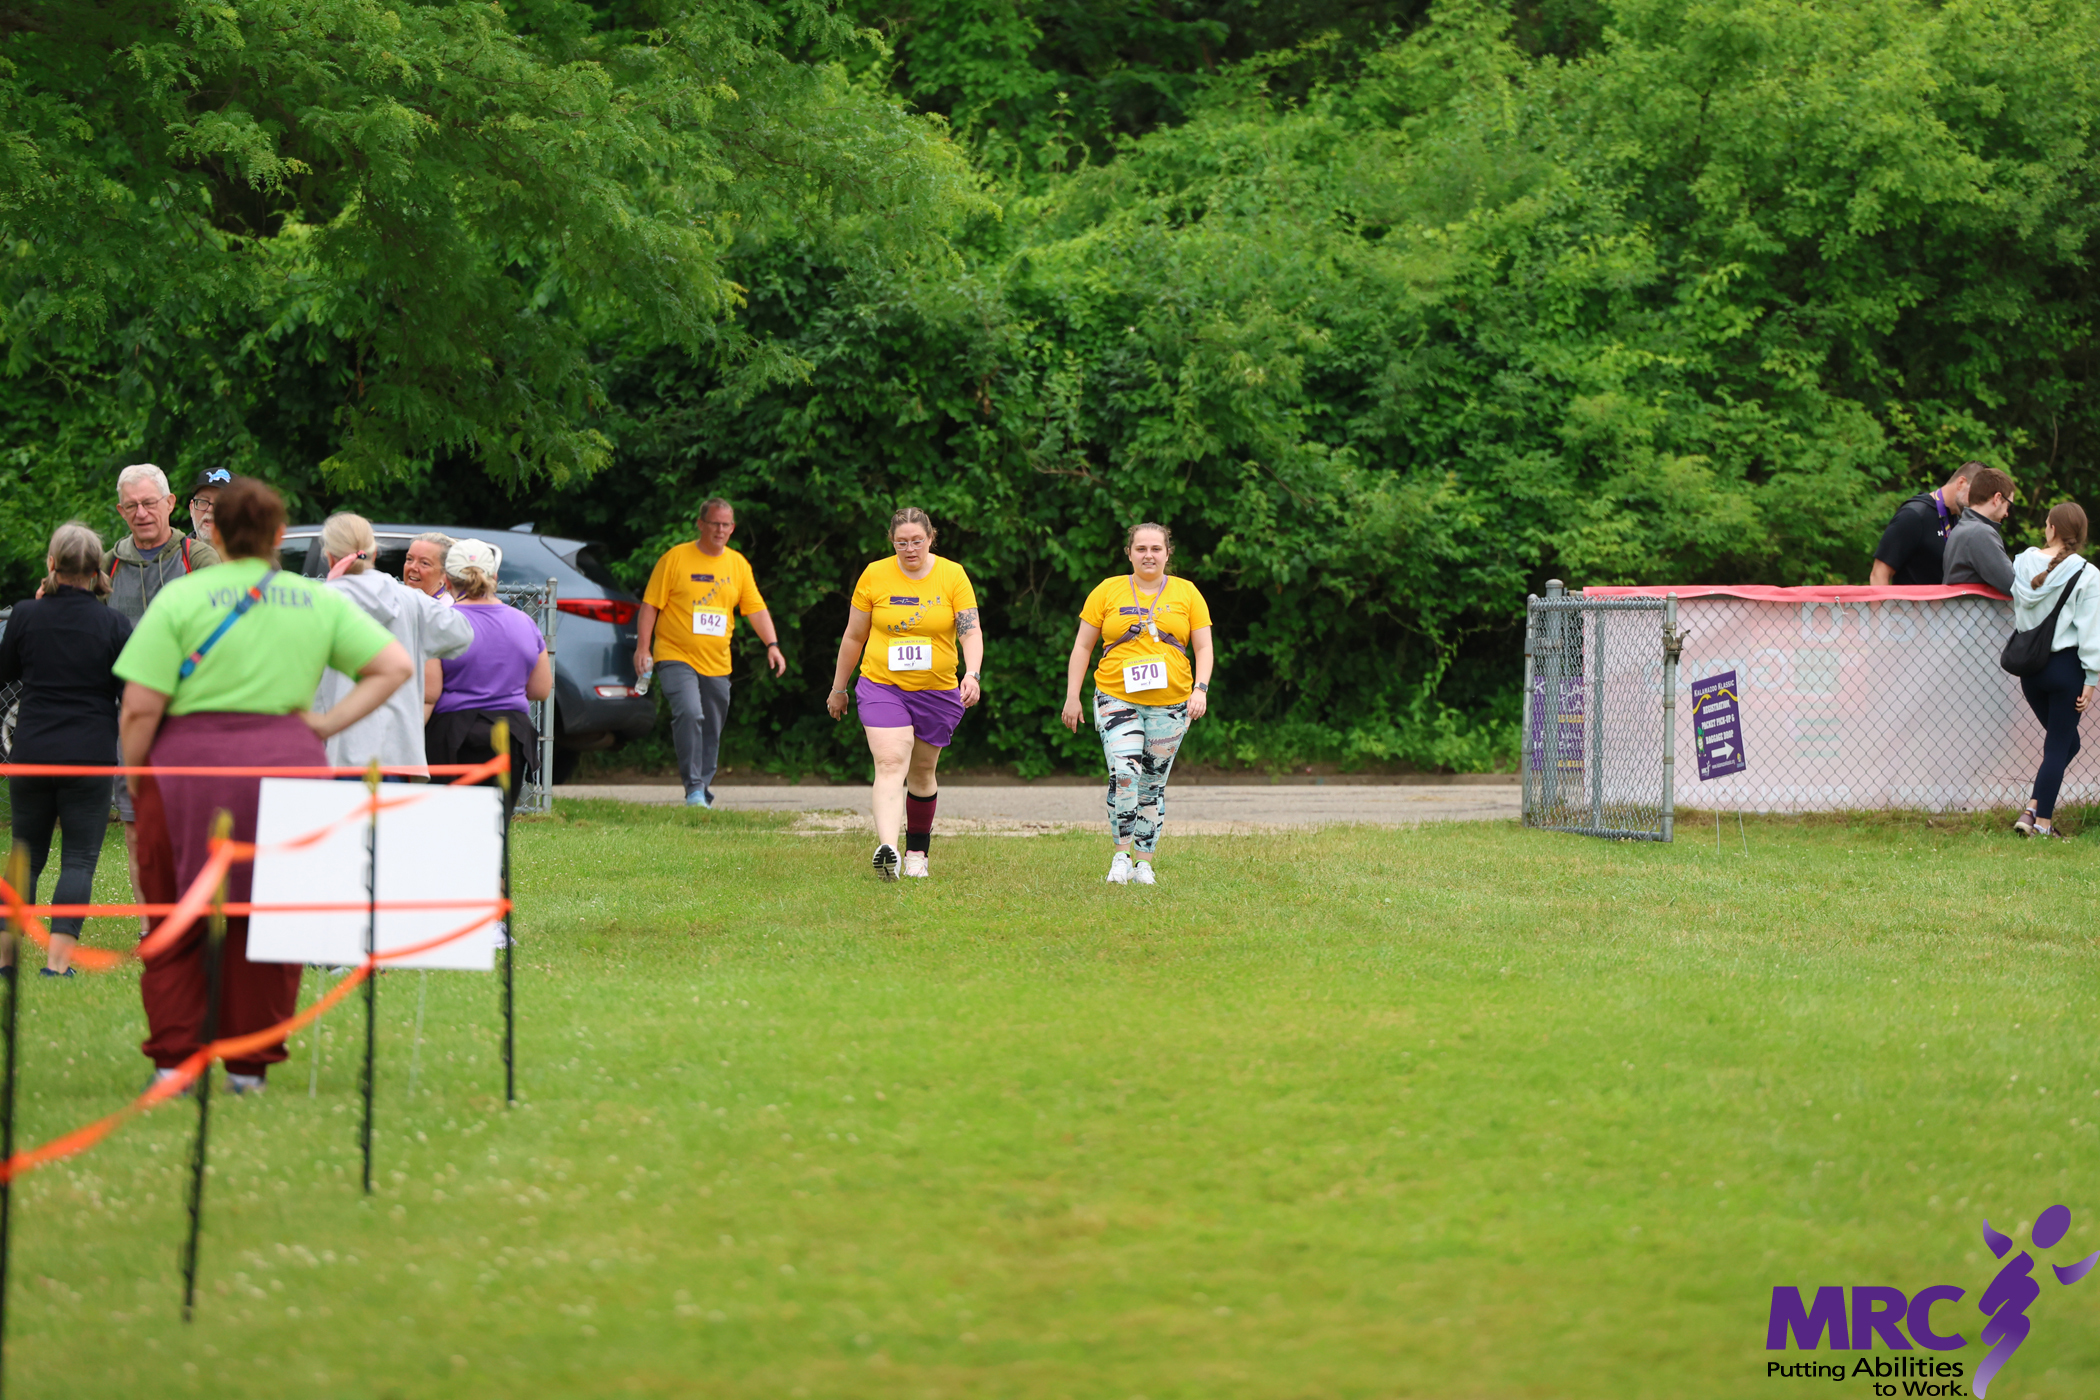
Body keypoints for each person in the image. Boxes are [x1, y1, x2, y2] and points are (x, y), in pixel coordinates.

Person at [115, 478, 412, 1093]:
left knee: (176, 911)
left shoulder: (182, 597)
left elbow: (139, 708)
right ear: (279, 535)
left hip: (188, 766)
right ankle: (248, 1066)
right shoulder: (316, 600)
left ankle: (175, 1059)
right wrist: (324, 724)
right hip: (287, 762)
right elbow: (394, 667)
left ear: (216, 532)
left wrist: (143, 776)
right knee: (271, 915)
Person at [0, 523, 132, 976]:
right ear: (97, 568)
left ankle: (5, 959)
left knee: (25, 854)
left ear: (52, 563)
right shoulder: (113, 623)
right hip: (90, 755)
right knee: (78, 858)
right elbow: (126, 690)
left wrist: (35, 611)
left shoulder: (24, 614)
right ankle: (57, 965)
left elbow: (6, 671)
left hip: (32, 750)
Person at [823, 508, 981, 879]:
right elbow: (854, 636)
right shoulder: (874, 575)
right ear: (892, 542)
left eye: (917, 541)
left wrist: (972, 674)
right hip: (882, 685)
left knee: (922, 772)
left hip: (937, 690)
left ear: (931, 538)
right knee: (891, 762)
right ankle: (888, 850)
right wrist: (838, 688)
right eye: (901, 543)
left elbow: (970, 631)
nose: (910, 549)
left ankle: (917, 853)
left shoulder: (953, 575)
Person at [104, 463, 224, 934]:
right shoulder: (107, 566)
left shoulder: (199, 558)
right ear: (121, 511)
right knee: (138, 825)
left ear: (170, 503)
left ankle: (196, 919)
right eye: (131, 505)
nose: (141, 513)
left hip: (190, 718)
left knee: (196, 822)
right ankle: (150, 925)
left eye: (149, 503)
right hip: (130, 717)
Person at [1060, 523, 1215, 885]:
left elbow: (1204, 646)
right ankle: (1121, 856)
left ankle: (1144, 863)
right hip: (1115, 696)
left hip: (1171, 704)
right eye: (1141, 548)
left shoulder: (1187, 592)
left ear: (1167, 553)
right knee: (1125, 772)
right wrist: (1072, 696)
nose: (1148, 555)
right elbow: (1082, 646)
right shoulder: (1107, 590)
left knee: (1152, 784)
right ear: (1128, 553)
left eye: (1156, 549)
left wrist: (1201, 689)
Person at [635, 498, 787, 807]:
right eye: (715, 523)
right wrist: (643, 647)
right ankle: (693, 788)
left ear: (732, 528)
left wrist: (772, 645)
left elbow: (755, 608)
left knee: (712, 725)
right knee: (690, 712)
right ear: (701, 524)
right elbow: (650, 605)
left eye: (726, 524)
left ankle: (702, 786)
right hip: (675, 654)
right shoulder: (675, 558)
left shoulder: (738, 565)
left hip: (717, 662)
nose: (720, 529)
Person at [315, 513, 475, 778]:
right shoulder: (410, 600)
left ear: (329, 556)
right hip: (398, 753)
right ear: (374, 553)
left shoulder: (319, 602)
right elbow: (462, 634)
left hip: (338, 749)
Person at [425, 539, 553, 822]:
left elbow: (429, 691)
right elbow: (541, 689)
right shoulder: (524, 622)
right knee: (496, 828)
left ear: (447, 580)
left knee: (450, 826)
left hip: (453, 735)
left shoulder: (441, 622)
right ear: (494, 577)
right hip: (510, 735)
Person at [2010, 504, 2099, 839]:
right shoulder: (2087, 573)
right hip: (2066, 669)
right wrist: (2091, 678)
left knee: (2066, 742)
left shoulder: (2022, 562)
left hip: (2030, 670)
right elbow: (2091, 631)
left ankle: (2031, 810)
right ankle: (2043, 823)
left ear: (2051, 529)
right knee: (2060, 745)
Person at [1871, 462, 1982, 586]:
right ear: (1961, 483)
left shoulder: (1956, 519)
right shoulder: (1914, 515)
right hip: (1910, 599)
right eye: (1976, 496)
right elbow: (1878, 575)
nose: (1978, 504)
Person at [1945, 468, 2018, 593]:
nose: (2007, 513)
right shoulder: (1980, 532)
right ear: (1997, 498)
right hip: (1971, 605)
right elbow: (2012, 584)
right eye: (2009, 506)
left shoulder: (1961, 528)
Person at [403, 531, 455, 603]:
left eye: (424, 563)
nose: (412, 567)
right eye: (409, 559)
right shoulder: (393, 602)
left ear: (445, 574)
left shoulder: (447, 608)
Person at [185, 467, 232, 542]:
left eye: (220, 503)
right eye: (203, 501)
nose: (210, 509)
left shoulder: (250, 549)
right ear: (191, 508)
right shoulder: (176, 549)